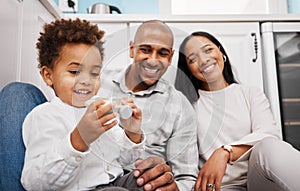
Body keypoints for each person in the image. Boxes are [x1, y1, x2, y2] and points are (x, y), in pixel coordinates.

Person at [19, 18, 146, 191]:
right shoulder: (44, 116)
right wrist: (78, 140)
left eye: (94, 73)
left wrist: (132, 134)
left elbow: (124, 160)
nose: (86, 80)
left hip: (114, 183)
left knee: (147, 175)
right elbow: (34, 182)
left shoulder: (99, 111)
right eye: (74, 71)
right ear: (48, 75)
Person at [175, 31, 300, 191]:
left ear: (220, 51)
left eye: (208, 50)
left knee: (268, 145)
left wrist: (226, 151)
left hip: (260, 180)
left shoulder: (249, 93)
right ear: (188, 69)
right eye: (193, 58)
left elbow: (269, 134)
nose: (204, 60)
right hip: (220, 187)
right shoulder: (188, 108)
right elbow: (184, 168)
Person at [99, 20, 199, 191]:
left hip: (140, 183)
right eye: (145, 50)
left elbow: (186, 177)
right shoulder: (98, 82)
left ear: (170, 57)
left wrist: (173, 187)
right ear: (132, 50)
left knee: (151, 171)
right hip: (93, 177)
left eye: (162, 53)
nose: (153, 61)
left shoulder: (180, 106)